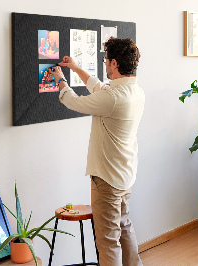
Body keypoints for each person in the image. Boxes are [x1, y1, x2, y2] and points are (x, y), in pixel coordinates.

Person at [49, 37, 144, 266]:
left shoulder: (112, 98)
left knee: (108, 241)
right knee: (124, 229)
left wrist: (61, 79)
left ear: (114, 63)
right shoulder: (135, 92)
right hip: (124, 175)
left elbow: (73, 101)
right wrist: (76, 68)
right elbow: (99, 88)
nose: (104, 65)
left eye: (105, 61)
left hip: (107, 179)